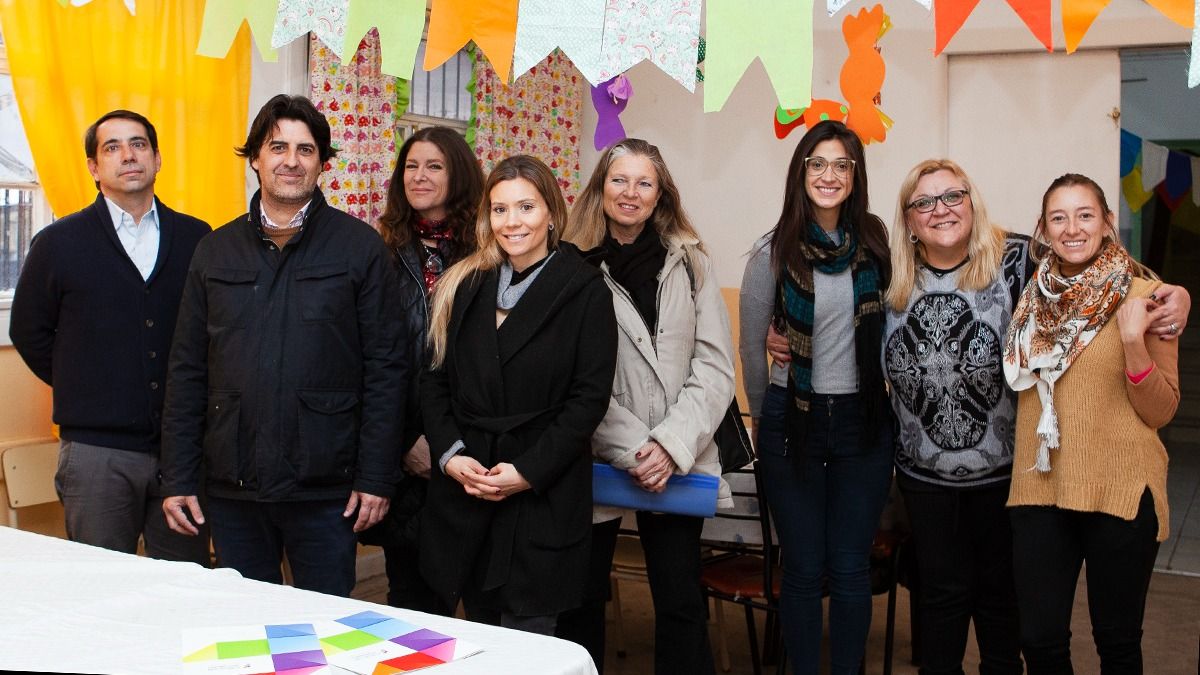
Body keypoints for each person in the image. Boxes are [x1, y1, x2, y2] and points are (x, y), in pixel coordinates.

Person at [160, 94, 411, 597]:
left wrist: (377, 477)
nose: (291, 161)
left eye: (306, 149)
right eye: (278, 147)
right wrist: (178, 477)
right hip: (232, 487)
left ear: (322, 162)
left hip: (326, 488)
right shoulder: (215, 250)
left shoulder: (359, 248)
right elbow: (187, 369)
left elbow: (387, 369)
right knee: (246, 630)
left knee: (325, 631)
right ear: (255, 156)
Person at [554, 138, 734, 674]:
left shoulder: (693, 265)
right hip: (600, 454)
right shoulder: (571, 265)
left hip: (679, 456)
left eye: (644, 183)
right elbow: (573, 379)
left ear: (661, 195)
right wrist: (637, 448)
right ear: (600, 189)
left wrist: (670, 445)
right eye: (619, 180)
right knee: (582, 599)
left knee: (680, 602)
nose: (630, 193)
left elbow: (715, 367)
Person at [419, 155, 617, 635]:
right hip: (470, 487)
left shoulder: (586, 290)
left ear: (551, 211)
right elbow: (434, 380)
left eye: (526, 207)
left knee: (528, 642)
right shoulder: (465, 284)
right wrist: (450, 455)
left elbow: (587, 401)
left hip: (541, 495)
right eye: (500, 209)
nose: (513, 223)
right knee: (474, 637)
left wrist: (528, 472)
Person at [9, 110, 210, 565]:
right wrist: (83, 380)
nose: (128, 156)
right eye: (112, 147)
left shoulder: (198, 238)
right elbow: (28, 329)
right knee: (101, 587)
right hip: (96, 454)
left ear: (157, 159)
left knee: (184, 587)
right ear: (94, 167)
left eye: (138, 144)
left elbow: (213, 332)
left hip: (182, 450)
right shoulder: (59, 243)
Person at [1004, 173, 1179, 674]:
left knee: (1117, 642)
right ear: (1042, 228)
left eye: (1085, 215)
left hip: (1120, 489)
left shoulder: (1148, 298)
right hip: (1040, 488)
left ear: (1107, 223)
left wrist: (1132, 343)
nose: (1072, 228)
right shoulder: (1027, 295)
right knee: (1038, 642)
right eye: (1059, 217)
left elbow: (1161, 410)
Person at [739, 120, 893, 674]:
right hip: (791, 419)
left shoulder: (877, 246)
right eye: (818, 164)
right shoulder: (772, 251)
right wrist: (766, 419)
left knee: (850, 567)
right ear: (800, 173)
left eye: (842, 165)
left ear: (856, 176)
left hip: (863, 420)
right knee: (803, 568)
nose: (830, 176)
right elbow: (752, 347)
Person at [364, 126, 482, 614]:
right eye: (411, 166)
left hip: (469, 450)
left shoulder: (487, 254)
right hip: (403, 447)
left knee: (475, 604)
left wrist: (451, 443)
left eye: (434, 166)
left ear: (458, 174)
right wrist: (406, 441)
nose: (419, 176)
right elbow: (369, 356)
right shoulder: (378, 252)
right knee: (409, 600)